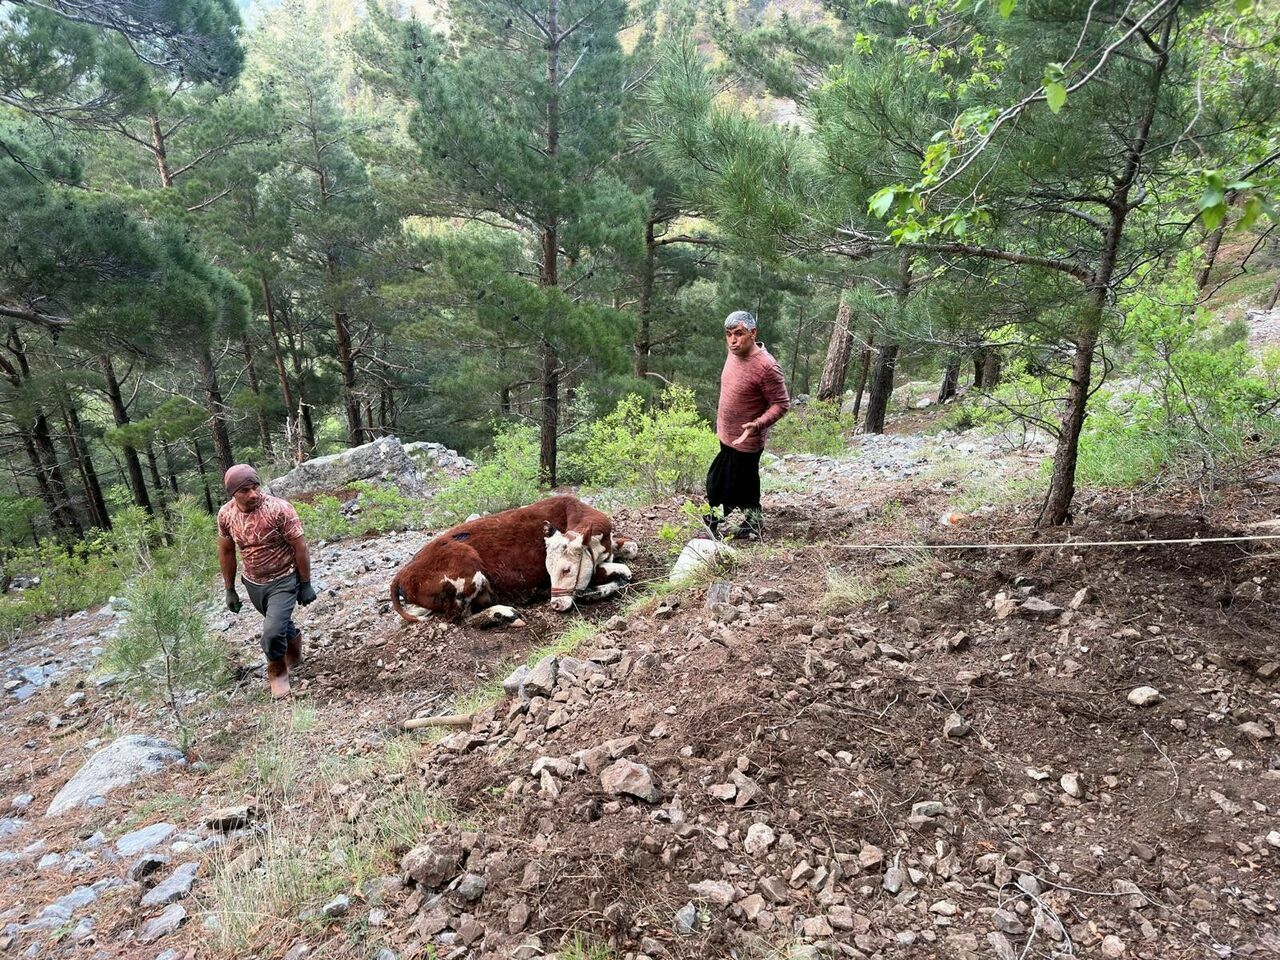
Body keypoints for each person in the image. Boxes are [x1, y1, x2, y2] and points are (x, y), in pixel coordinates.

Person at [217, 464, 316, 699]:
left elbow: (299, 545)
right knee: (280, 623)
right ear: (233, 493)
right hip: (253, 582)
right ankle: (295, 656)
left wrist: (305, 582)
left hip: (284, 579)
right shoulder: (226, 515)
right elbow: (227, 551)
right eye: (245, 491)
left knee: (271, 632)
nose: (252, 494)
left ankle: (278, 673)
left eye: (255, 487)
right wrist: (230, 589)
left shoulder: (279, 509)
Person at [706, 310, 790, 540]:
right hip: (726, 434)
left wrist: (758, 424)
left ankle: (711, 525)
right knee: (746, 484)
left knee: (718, 483)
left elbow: (781, 404)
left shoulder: (767, 367)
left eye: (739, 334)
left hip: (747, 440)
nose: (733, 340)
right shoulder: (734, 352)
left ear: (753, 333)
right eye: (729, 334)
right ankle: (753, 522)